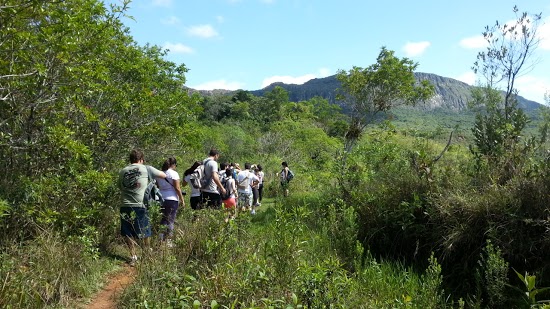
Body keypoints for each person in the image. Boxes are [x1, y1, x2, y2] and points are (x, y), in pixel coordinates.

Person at [119, 149, 166, 266]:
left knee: (127, 231)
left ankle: (133, 256)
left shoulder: (123, 171)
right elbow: (163, 175)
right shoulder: (146, 168)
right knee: (145, 230)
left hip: (125, 204)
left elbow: (120, 186)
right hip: (140, 204)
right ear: (141, 159)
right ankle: (146, 254)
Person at [157, 157, 185, 246]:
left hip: (161, 198)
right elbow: (177, 188)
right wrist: (182, 199)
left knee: (163, 219)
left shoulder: (159, 174)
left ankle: (160, 238)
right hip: (172, 199)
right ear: (173, 165)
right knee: (170, 219)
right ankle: (169, 240)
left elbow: (157, 186)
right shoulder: (174, 174)